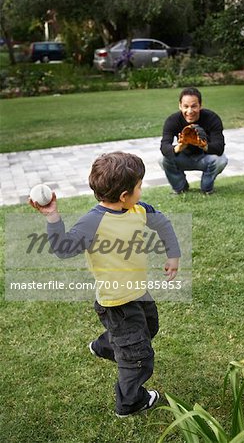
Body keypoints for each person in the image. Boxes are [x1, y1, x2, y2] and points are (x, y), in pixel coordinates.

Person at [29, 152, 181, 418]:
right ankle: (130, 402)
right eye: (139, 185)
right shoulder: (93, 222)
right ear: (124, 195)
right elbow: (64, 249)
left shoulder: (139, 209)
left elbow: (163, 223)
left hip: (139, 293)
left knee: (149, 328)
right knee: (139, 358)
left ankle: (105, 346)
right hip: (116, 303)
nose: (141, 189)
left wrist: (173, 254)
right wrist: (52, 217)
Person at [160, 87, 228, 194]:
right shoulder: (172, 120)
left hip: (204, 158)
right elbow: (164, 147)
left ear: (200, 105)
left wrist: (203, 145)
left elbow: (220, 147)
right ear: (180, 106)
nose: (190, 111)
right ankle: (180, 188)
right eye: (186, 106)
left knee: (221, 160)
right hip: (183, 157)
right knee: (163, 159)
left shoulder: (212, 118)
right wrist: (179, 147)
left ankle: (207, 189)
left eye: (194, 106)